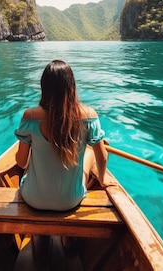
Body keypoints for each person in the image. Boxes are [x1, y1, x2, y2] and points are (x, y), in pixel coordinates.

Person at [14, 60, 111, 211]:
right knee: (92, 150)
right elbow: (102, 157)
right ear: (71, 86)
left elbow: (21, 162)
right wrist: (103, 180)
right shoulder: (89, 115)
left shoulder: (30, 116)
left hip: (33, 199)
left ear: (44, 86)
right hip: (70, 202)